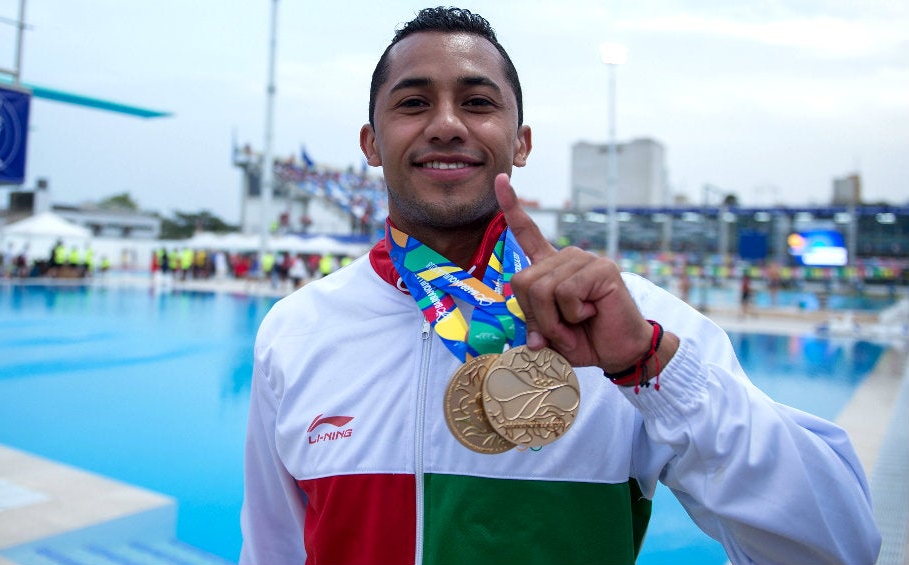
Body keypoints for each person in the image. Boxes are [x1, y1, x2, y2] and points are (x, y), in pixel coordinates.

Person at [240, 7, 880, 565]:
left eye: (478, 102)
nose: (446, 124)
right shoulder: (297, 330)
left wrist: (648, 366)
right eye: (412, 103)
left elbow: (839, 545)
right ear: (371, 143)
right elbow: (272, 550)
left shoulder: (630, 322)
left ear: (520, 143)